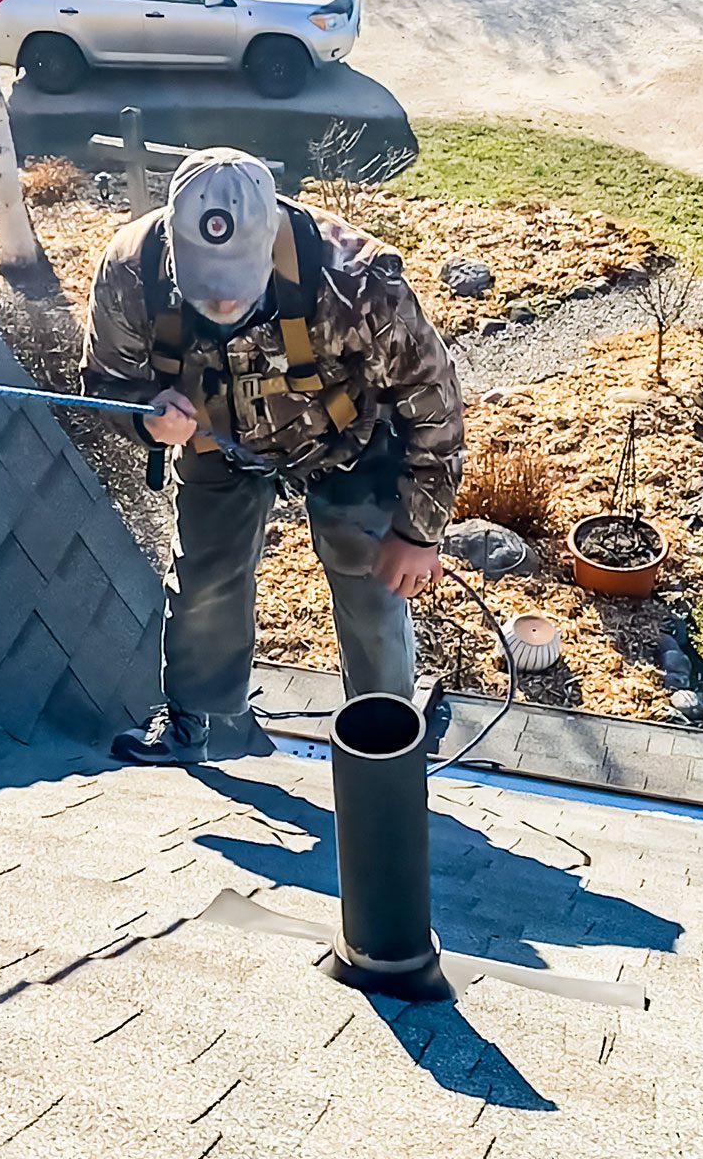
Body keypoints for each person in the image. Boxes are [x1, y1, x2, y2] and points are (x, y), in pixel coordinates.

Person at [81, 147, 463, 764]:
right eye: (208, 284)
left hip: (348, 446)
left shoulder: (358, 280)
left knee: (373, 582)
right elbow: (105, 383)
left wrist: (419, 534)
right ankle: (196, 721)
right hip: (215, 442)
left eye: (237, 283)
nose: (224, 303)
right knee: (205, 577)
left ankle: (384, 743)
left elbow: (434, 403)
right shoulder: (132, 270)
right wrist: (147, 421)